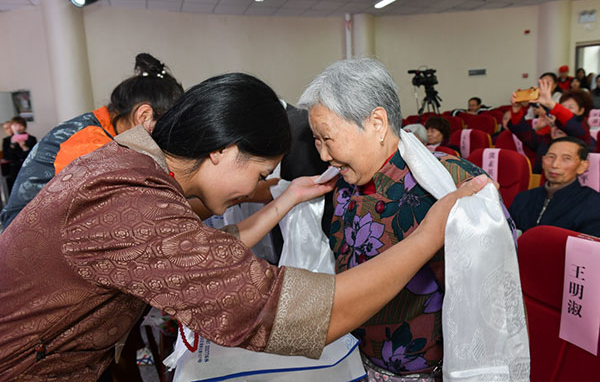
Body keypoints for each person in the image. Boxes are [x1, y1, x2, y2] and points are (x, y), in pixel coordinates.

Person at [0, 72, 491, 380]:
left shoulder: (129, 166)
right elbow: (299, 313)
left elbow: (194, 255)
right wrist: (428, 235)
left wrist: (285, 202)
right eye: (259, 174)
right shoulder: (129, 200)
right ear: (224, 150)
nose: (258, 187)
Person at [298, 58, 494, 380]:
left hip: (423, 369)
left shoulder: (448, 181)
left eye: (327, 139)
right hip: (355, 355)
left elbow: (490, 284)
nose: (322, 155)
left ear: (376, 122)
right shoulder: (345, 185)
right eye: (316, 141)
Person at [0, 53, 184, 230]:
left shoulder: (107, 129)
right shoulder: (90, 143)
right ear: (143, 115)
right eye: (164, 129)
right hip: (27, 243)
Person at [509, 136, 600, 237]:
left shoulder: (594, 204)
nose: (555, 165)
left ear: (582, 166)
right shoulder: (523, 198)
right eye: (551, 157)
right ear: (543, 161)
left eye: (566, 159)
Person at [508, 78, 591, 173]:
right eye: (563, 107)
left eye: (570, 108)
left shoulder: (581, 136)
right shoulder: (546, 140)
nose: (566, 111)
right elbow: (523, 133)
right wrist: (516, 109)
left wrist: (551, 104)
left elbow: (574, 126)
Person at [1, 116, 37, 192]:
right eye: (14, 125)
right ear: (11, 127)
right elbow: (6, 156)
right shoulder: (7, 140)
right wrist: (12, 145)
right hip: (14, 171)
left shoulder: (31, 139)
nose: (17, 128)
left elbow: (34, 155)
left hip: (29, 169)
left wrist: (24, 148)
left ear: (24, 126)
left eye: (20, 125)